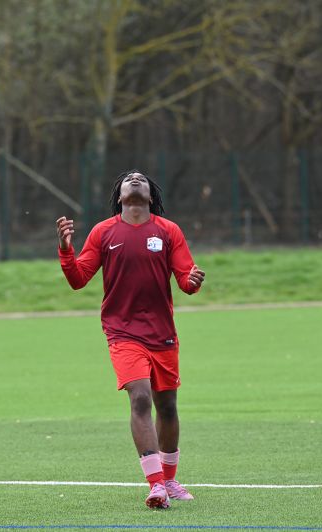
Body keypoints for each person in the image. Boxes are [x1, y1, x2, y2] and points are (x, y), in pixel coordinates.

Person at [56, 170, 205, 509]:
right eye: (128, 178)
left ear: (150, 196)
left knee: (167, 406)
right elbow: (78, 279)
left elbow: (185, 279)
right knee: (140, 398)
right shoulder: (103, 232)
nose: (135, 178)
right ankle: (156, 485)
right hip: (122, 332)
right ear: (119, 196)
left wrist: (193, 281)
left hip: (162, 334)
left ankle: (170, 480)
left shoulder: (168, 231)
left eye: (141, 178)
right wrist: (66, 250)